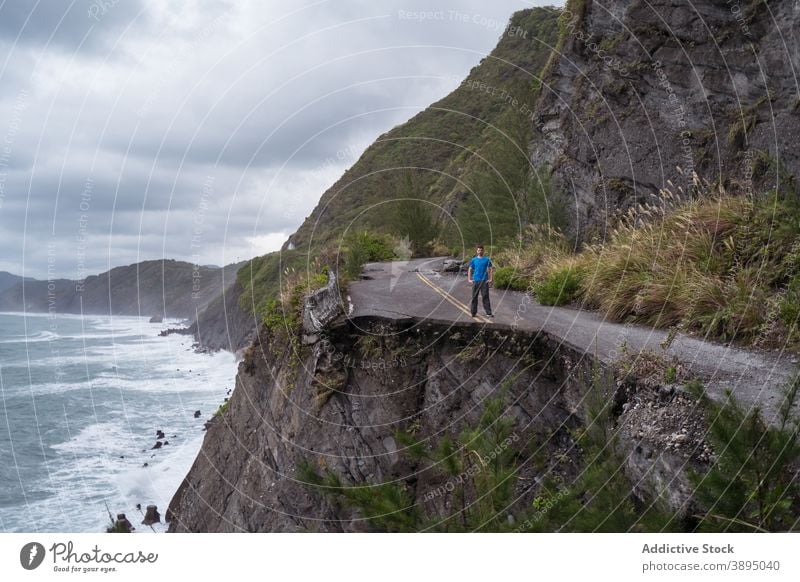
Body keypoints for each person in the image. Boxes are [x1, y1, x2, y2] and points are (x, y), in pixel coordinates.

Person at [467, 244, 494, 318]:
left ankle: (488, 313)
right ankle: (473, 313)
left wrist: (490, 279)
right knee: (474, 297)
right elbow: (470, 269)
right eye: (478, 250)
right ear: (476, 251)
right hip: (476, 280)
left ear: (483, 251)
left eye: (481, 250)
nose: (480, 251)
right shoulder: (474, 260)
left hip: (484, 281)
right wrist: (469, 279)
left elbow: (491, 269)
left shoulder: (487, 259)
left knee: (485, 296)